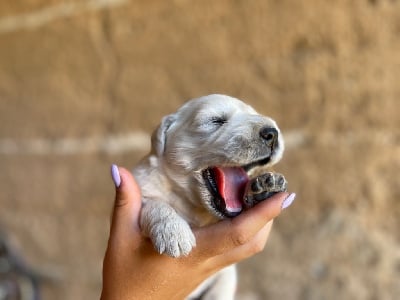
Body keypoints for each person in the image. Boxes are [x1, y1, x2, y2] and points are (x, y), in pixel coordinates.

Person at [100, 165, 296, 300]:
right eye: (216, 121)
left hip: (213, 286)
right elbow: (145, 209)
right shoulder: (154, 176)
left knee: (226, 275)